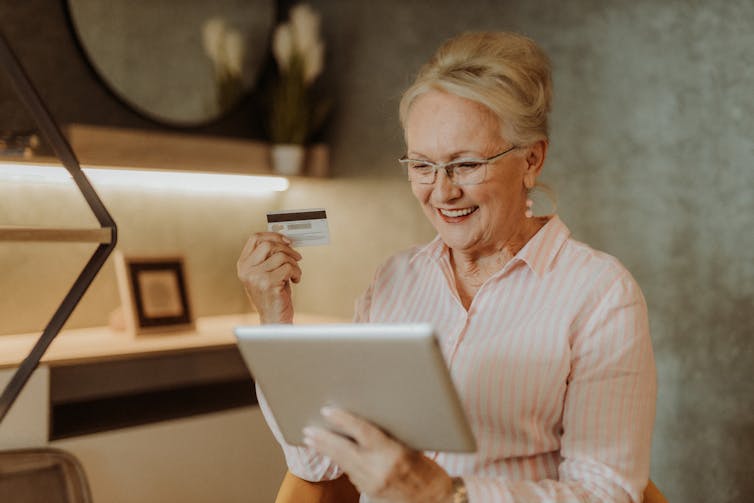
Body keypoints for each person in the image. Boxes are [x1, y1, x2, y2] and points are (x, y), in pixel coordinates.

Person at [237, 31, 656, 503]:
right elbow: (316, 463)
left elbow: (608, 494)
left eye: (466, 164)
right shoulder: (393, 280)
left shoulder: (601, 293)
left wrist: (447, 494)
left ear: (532, 160)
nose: (442, 192)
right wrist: (275, 321)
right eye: (422, 165)